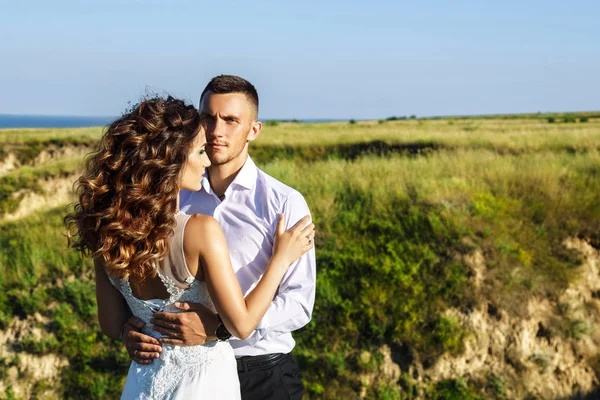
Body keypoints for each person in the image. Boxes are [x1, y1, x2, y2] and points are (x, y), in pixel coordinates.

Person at [65, 96, 315, 399]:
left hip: (233, 374)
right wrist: (280, 259)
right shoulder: (198, 226)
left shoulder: (108, 229)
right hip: (202, 382)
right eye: (208, 120)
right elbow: (243, 324)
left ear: (254, 129)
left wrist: (127, 330)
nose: (211, 144)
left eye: (230, 120)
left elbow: (110, 321)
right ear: (172, 158)